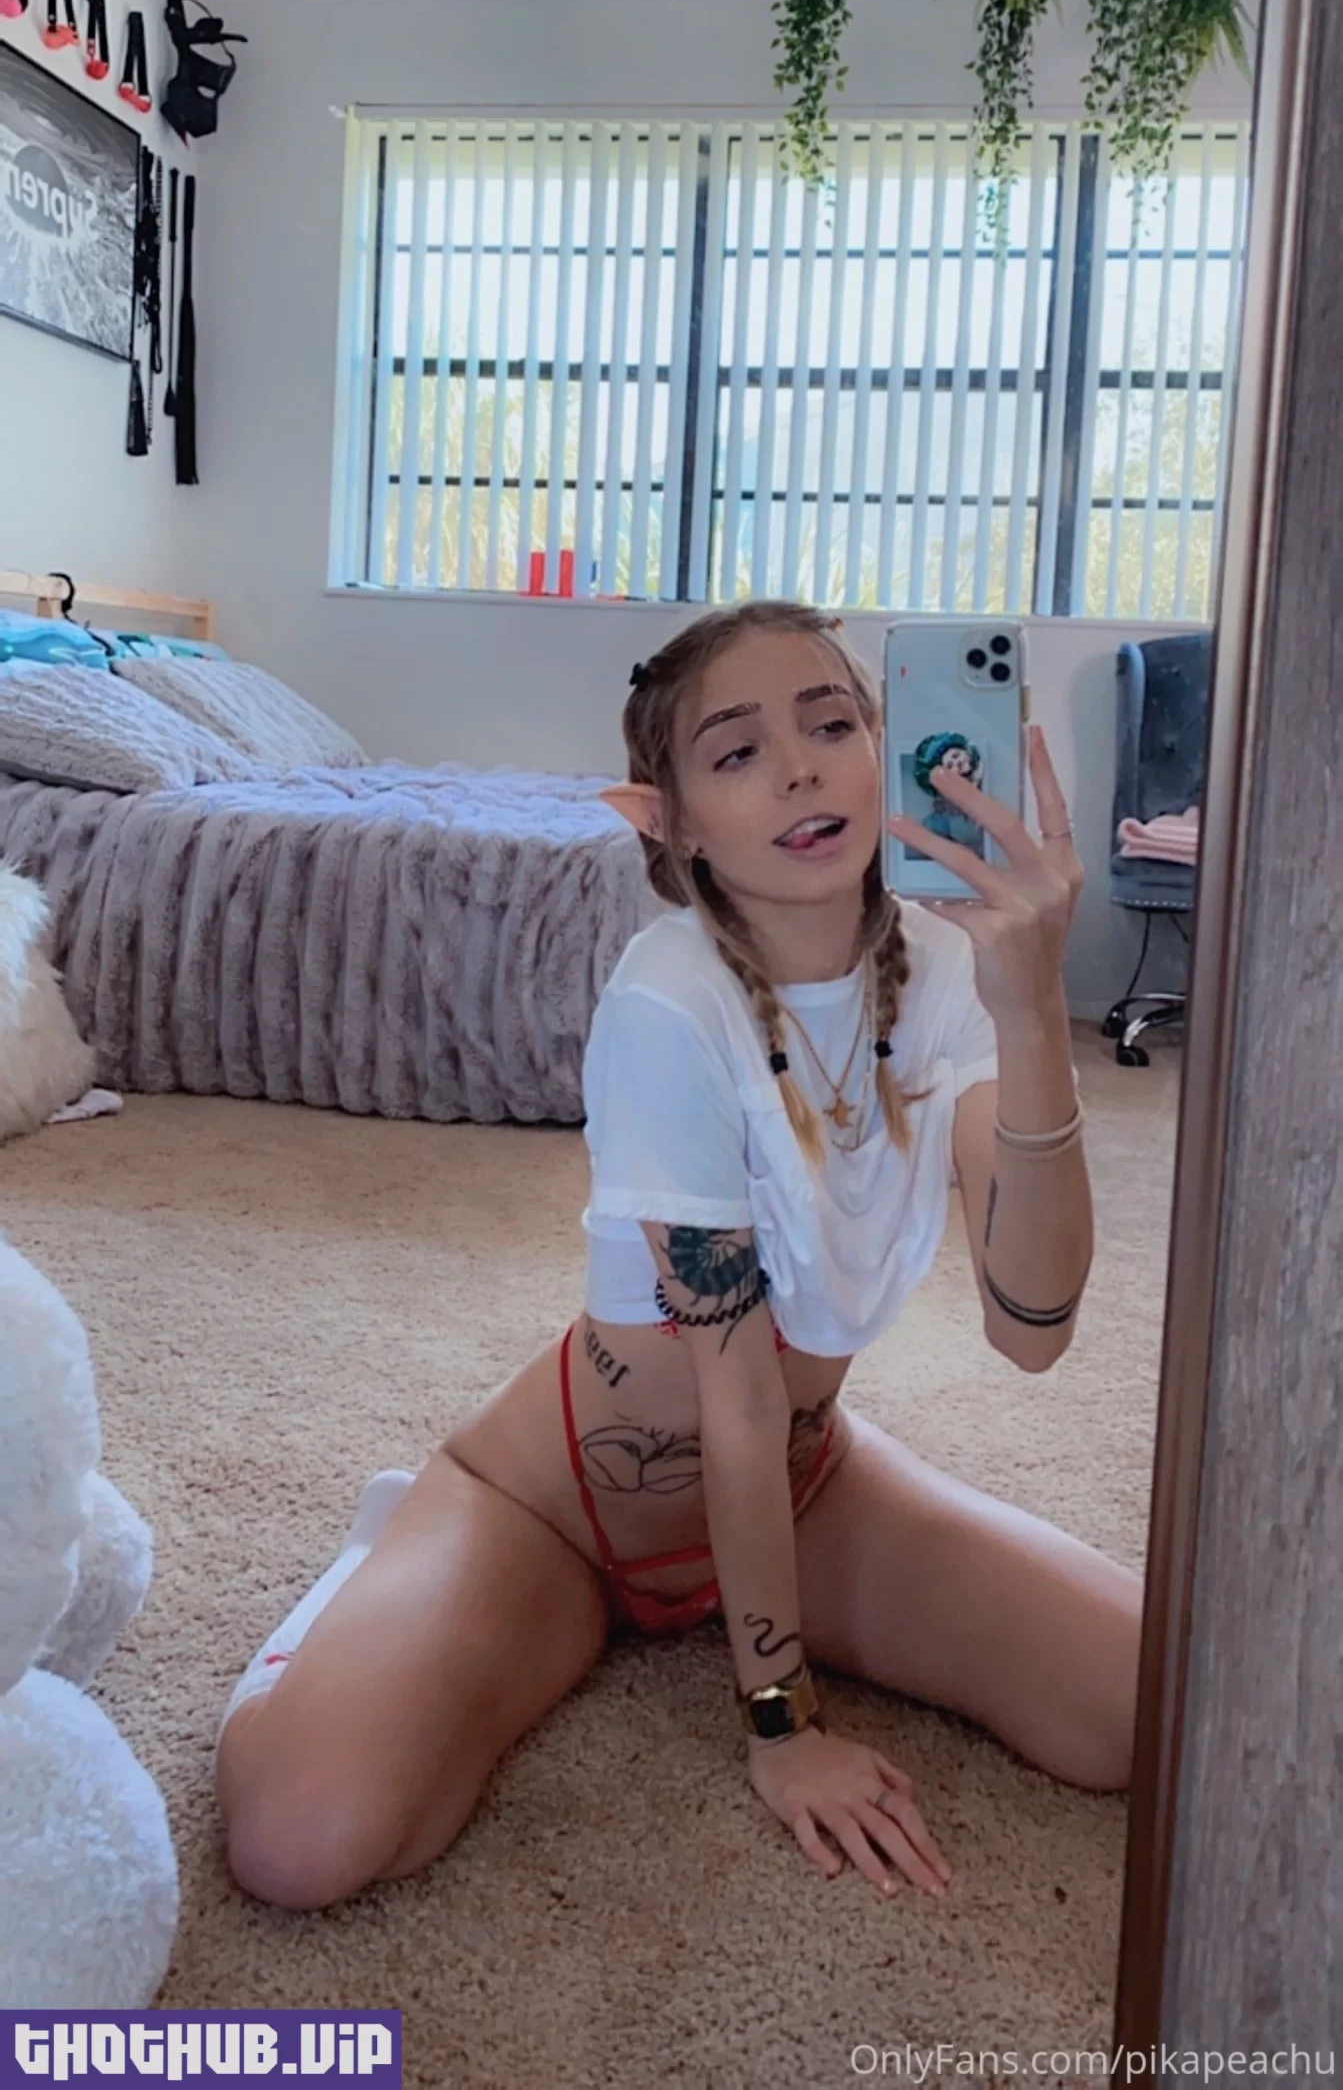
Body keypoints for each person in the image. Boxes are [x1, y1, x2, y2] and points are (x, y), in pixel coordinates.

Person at [216, 599, 1143, 1914]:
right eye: (737, 751)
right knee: (301, 1840)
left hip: (803, 1481)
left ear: (881, 747)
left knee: (1134, 1709)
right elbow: (735, 1391)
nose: (800, 770)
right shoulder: (669, 996)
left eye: (831, 726)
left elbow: (1031, 1330)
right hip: (560, 1512)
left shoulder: (954, 974)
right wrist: (782, 1723)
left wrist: (1034, 1007)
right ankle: (374, 1567)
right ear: (668, 822)